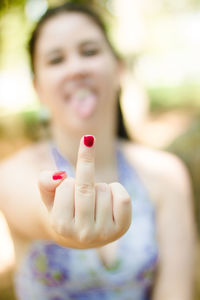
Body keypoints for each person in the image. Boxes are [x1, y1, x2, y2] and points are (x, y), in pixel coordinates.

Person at [0, 2, 196, 299]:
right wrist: (62, 226)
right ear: (38, 87)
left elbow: (176, 292)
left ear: (118, 70)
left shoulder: (166, 174)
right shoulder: (14, 173)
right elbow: (41, 213)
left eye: (89, 51)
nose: (76, 68)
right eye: (56, 60)